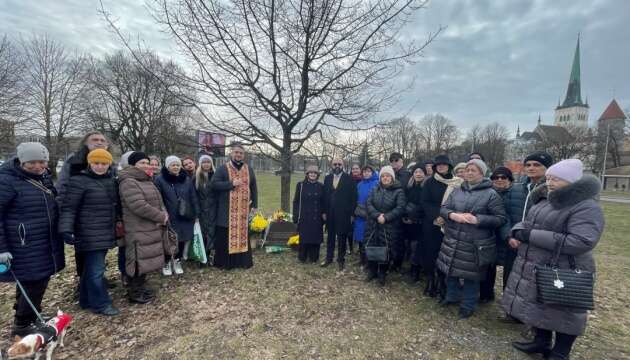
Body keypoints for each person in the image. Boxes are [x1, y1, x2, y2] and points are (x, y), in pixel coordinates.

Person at [502, 159, 604, 360]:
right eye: (548, 178)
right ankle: (541, 341)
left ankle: (560, 352)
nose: (550, 182)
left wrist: (530, 235)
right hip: (539, 262)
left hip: (566, 268)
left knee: (566, 311)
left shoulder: (585, 206)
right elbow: (530, 223)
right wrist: (518, 230)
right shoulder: (546, 199)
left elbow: (581, 240)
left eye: (556, 179)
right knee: (539, 305)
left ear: (571, 181)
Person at [0, 143, 65, 337]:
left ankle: (28, 315)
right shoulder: (6, 181)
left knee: (36, 280)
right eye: (31, 163)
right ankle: (22, 323)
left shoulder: (44, 177)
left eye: (42, 162)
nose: (37, 166)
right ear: (21, 161)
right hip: (23, 243)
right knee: (33, 281)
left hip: (44, 239)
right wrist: (1, 248)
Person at [436, 159, 506, 319]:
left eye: (473, 170)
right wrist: (452, 215)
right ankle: (451, 297)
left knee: (471, 276)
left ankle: (468, 305)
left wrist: (478, 219)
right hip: (453, 237)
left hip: (475, 242)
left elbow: (500, 218)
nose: (468, 173)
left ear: (482, 173)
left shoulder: (491, 194)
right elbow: (444, 208)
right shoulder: (457, 190)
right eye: (467, 170)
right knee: (451, 270)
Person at [58, 149, 120, 316]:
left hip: (105, 232)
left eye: (104, 163)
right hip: (88, 232)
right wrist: (66, 228)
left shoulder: (111, 181)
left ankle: (85, 300)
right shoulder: (79, 181)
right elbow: (69, 207)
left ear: (109, 164)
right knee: (97, 270)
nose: (100, 166)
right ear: (89, 163)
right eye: (96, 163)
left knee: (91, 269)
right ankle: (101, 304)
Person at [56, 131, 113, 290]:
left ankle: (97, 278)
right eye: (95, 139)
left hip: (102, 216)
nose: (99, 142)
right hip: (81, 217)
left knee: (100, 251)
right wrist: (64, 219)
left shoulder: (109, 161)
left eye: (102, 140)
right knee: (82, 253)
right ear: (85, 143)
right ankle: (84, 282)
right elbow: (63, 187)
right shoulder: (74, 161)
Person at [118, 152, 168, 304]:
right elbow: (138, 205)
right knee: (137, 261)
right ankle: (134, 292)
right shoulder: (128, 181)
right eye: (142, 163)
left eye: (147, 163)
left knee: (146, 260)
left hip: (150, 226)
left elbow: (158, 201)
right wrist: (160, 216)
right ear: (133, 165)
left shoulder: (147, 180)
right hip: (137, 228)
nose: (146, 166)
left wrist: (163, 212)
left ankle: (140, 286)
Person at [479, 166, 525, 303]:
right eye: (496, 177)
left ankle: (509, 302)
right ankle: (486, 295)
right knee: (488, 267)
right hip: (490, 235)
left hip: (511, 236)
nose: (499, 180)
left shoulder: (519, 193)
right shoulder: (487, 192)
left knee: (510, 272)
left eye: (503, 177)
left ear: (510, 179)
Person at [210, 143, 258, 270]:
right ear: (231, 153)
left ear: (244, 155)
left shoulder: (249, 169)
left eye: (241, 153)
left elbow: (253, 187)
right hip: (226, 211)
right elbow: (214, 184)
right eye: (236, 152)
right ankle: (225, 263)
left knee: (242, 235)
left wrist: (255, 205)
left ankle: (242, 262)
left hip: (243, 210)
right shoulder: (223, 168)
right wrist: (231, 184)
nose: (238, 155)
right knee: (225, 236)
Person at [420, 155, 462, 298]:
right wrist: (436, 215)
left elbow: (460, 202)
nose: (441, 166)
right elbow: (424, 201)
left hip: (450, 223)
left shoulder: (457, 183)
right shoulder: (430, 182)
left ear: (449, 166)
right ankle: (431, 280)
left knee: (446, 254)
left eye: (444, 164)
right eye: (438, 165)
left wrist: (447, 215)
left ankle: (444, 282)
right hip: (432, 223)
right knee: (431, 253)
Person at [154, 156, 199, 275]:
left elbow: (193, 196)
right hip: (169, 215)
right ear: (167, 166)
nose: (175, 167)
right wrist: (162, 212)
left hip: (185, 214)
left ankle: (177, 261)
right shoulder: (160, 179)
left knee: (182, 239)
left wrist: (196, 212)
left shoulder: (186, 179)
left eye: (178, 165)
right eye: (173, 165)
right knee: (168, 239)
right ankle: (167, 262)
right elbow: (158, 198)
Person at [364, 166, 406, 286]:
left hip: (389, 226)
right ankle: (372, 271)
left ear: (392, 177)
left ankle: (382, 273)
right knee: (372, 246)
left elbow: (400, 207)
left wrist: (386, 217)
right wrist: (377, 216)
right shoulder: (374, 188)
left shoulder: (399, 191)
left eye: (387, 175)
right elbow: (368, 203)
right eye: (383, 176)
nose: (385, 178)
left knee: (386, 249)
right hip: (373, 224)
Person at [322, 158, 357, 271]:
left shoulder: (349, 178)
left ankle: (341, 260)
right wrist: (324, 211)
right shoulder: (327, 178)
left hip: (344, 214)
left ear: (343, 165)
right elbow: (324, 196)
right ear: (332, 165)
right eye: (335, 164)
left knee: (342, 237)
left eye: (339, 164)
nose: (337, 166)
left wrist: (352, 214)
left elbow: (354, 197)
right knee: (330, 237)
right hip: (330, 213)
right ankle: (329, 258)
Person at [292, 165, 326, 263]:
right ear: (307, 174)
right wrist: (295, 215)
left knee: (315, 237)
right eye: (310, 172)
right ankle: (302, 256)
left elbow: (323, 202)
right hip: (304, 216)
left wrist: (324, 213)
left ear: (317, 175)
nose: (312, 174)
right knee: (304, 237)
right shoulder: (301, 185)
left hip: (317, 216)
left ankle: (314, 256)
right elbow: (296, 201)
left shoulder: (321, 186)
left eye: (314, 173)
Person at [403, 164, 425, 284]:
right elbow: (405, 201)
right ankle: (410, 268)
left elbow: (423, 205)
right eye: (416, 172)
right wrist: (405, 216)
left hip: (419, 223)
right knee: (408, 245)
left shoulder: (426, 188)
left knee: (416, 247)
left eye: (421, 172)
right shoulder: (409, 187)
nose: (418, 174)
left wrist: (413, 217)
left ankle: (415, 272)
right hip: (407, 222)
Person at [353, 165, 379, 267]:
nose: (366, 173)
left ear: (372, 173)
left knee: (369, 238)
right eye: (364, 172)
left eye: (368, 171)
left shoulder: (376, 183)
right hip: (359, 215)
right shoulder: (359, 184)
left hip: (371, 215)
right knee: (360, 238)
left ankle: (369, 261)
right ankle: (362, 259)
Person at [195, 155, 217, 263]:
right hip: (201, 209)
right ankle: (203, 256)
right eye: (204, 162)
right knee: (203, 232)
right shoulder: (197, 176)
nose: (206, 164)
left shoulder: (216, 175)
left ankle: (211, 254)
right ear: (200, 164)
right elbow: (194, 195)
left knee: (212, 231)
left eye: (208, 162)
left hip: (213, 208)